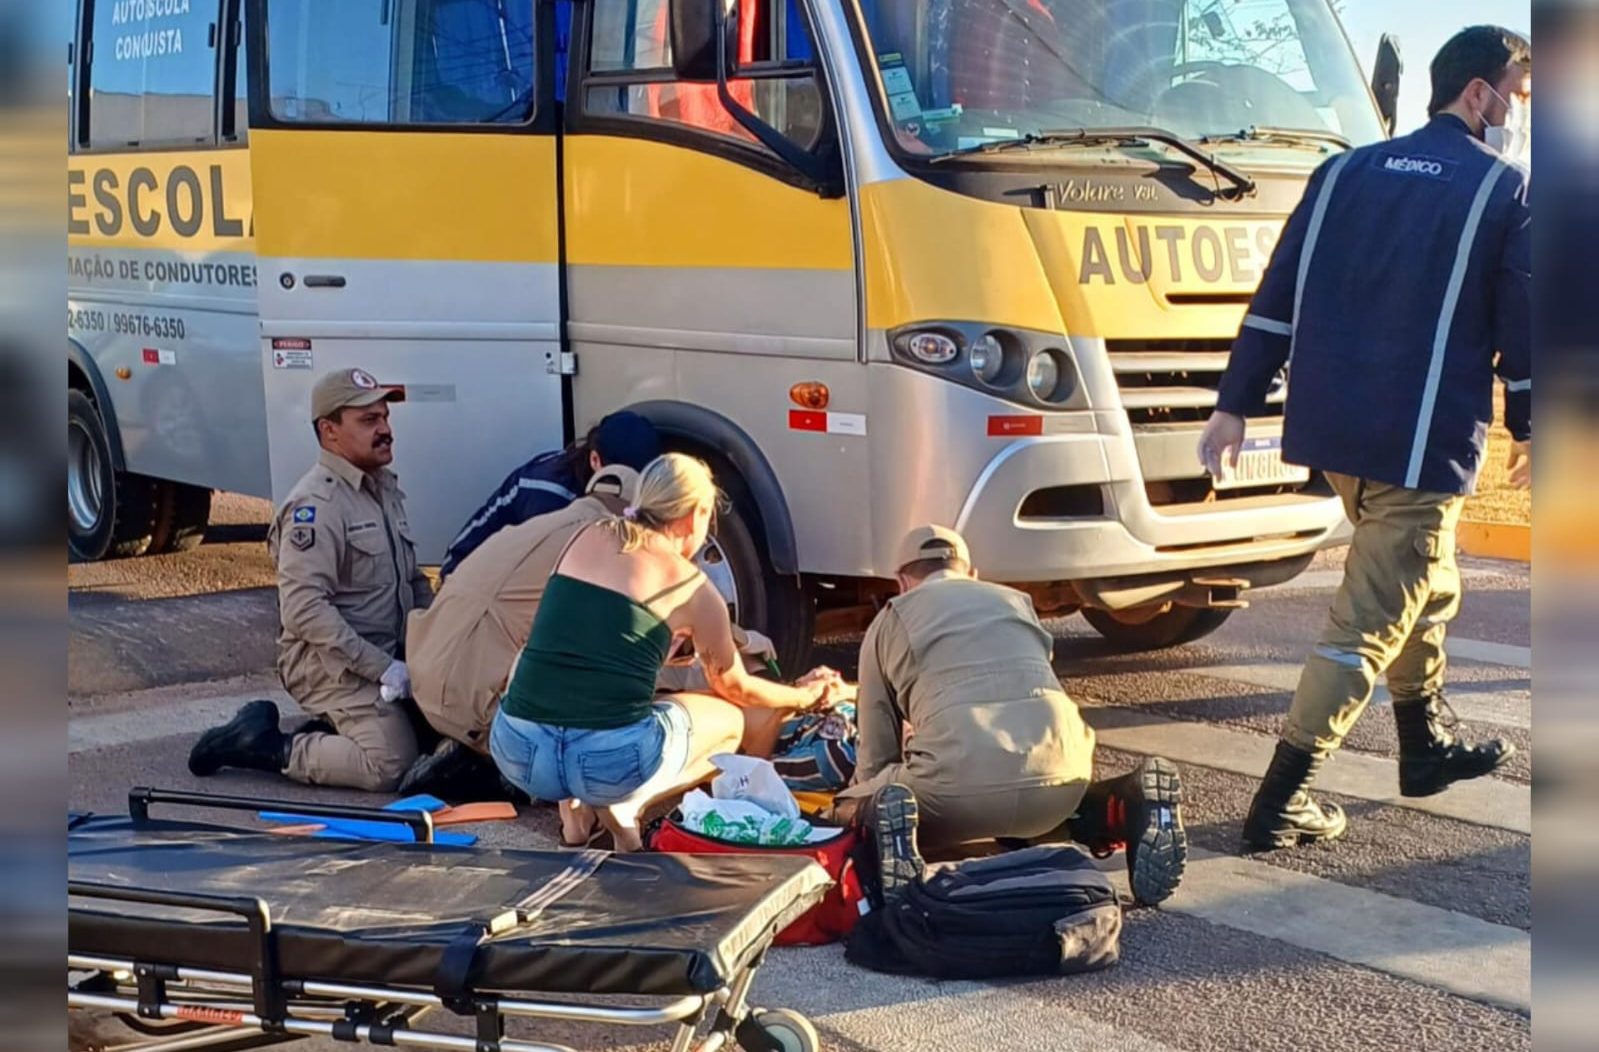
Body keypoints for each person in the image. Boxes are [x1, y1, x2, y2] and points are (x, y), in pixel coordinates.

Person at [1198, 26, 1531, 851]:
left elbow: (1276, 293)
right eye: (1517, 98)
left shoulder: (1342, 170)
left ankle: (1421, 748)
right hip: (1420, 444)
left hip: (1334, 433)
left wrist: (1233, 403)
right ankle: (1283, 800)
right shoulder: (1501, 190)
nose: (1520, 116)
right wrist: (1531, 425)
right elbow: (1521, 329)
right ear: (1479, 95)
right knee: (1369, 621)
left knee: (1428, 583)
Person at [489, 453, 841, 852]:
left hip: (519, 749)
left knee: (543, 672)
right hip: (608, 763)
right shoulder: (693, 588)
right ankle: (646, 808)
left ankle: (575, 821)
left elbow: (572, 639)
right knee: (731, 719)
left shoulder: (587, 535)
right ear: (696, 515)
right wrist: (804, 696)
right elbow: (737, 688)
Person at [832, 525, 1187, 907]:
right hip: (1060, 781)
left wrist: (864, 792)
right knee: (1042, 796)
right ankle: (1122, 804)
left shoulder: (891, 618)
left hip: (956, 795)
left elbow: (875, 754)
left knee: (859, 804)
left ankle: (899, 844)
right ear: (973, 574)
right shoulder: (1017, 602)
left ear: (902, 582)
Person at [399, 463, 780, 798]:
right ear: (695, 514)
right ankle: (615, 801)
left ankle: (540, 790)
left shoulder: (565, 532)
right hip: (484, 709)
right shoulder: (624, 551)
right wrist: (765, 662)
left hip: (429, 681)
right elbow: (721, 677)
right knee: (715, 709)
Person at [188, 368, 433, 791]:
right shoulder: (316, 506)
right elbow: (304, 611)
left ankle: (339, 728)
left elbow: (412, 580)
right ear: (330, 431)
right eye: (368, 420)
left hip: (385, 655)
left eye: (384, 417)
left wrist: (436, 643)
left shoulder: (381, 487)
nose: (385, 429)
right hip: (329, 664)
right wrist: (382, 669)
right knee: (391, 764)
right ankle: (264, 744)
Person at [439, 411, 661, 578]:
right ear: (595, 460)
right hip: (473, 581)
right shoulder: (547, 494)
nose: (630, 490)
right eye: (624, 477)